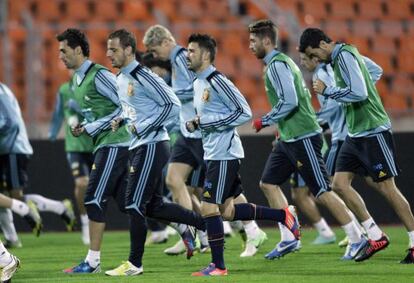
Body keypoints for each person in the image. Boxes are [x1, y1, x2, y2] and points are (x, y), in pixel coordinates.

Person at [144, 24, 267, 258]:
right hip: (187, 134)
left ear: (163, 42)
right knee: (174, 180)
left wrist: (168, 94)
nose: (154, 55)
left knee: (220, 192)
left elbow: (197, 88)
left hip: (202, 135)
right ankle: (190, 232)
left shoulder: (181, 57)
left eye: (153, 49)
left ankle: (252, 230)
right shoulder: (178, 61)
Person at [248, 19, 367, 260]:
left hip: (304, 137)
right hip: (290, 138)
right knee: (268, 183)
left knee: (322, 190)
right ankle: (289, 237)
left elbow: (290, 101)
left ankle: (357, 237)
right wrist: (280, 127)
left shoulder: (278, 65)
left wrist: (266, 120)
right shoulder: (276, 64)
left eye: (253, 40)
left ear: (267, 41)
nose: (250, 45)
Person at [185, 33, 300, 276]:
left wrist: (205, 121)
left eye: (192, 51)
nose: (188, 54)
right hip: (213, 153)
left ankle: (219, 266)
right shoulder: (197, 83)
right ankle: (284, 215)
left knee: (208, 209)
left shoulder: (218, 81)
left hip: (225, 153)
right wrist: (199, 122)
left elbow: (243, 112)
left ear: (206, 55)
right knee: (227, 212)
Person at [299, 27, 414, 263]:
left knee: (387, 188)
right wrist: (357, 89)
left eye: (314, 54)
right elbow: (374, 71)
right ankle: (375, 234)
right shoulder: (346, 56)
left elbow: (359, 93)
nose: (315, 60)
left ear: (322, 44)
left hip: (373, 130)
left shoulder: (345, 56)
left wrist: (330, 91)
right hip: (354, 132)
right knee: (339, 184)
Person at [104, 29, 209, 276]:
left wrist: (143, 125)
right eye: (108, 49)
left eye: (114, 49)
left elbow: (171, 105)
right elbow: (135, 109)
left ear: (129, 50)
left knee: (133, 203)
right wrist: (121, 119)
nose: (109, 54)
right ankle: (203, 225)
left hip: (153, 144)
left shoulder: (142, 75)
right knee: (153, 206)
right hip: (140, 145)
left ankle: (134, 264)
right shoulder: (121, 79)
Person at [57, 28, 131, 274]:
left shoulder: (99, 75)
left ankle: (92, 261)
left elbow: (126, 105)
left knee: (92, 197)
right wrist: (85, 125)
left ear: (78, 50)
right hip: (101, 142)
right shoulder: (76, 80)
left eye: (64, 51)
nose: (60, 56)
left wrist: (93, 126)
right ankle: (191, 226)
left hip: (116, 141)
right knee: (132, 203)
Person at [1, 82, 72, 241]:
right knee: (4, 196)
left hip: (13, 148)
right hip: (5, 149)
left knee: (15, 196)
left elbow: (9, 122)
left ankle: (53, 208)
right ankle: (12, 237)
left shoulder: (1, 92)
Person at [49, 75, 94, 245]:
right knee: (82, 183)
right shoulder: (64, 90)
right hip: (75, 146)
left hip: (95, 144)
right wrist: (53, 131)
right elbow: (58, 111)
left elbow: (99, 112)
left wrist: (80, 109)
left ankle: (95, 221)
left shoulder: (92, 86)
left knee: (100, 188)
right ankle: (84, 222)